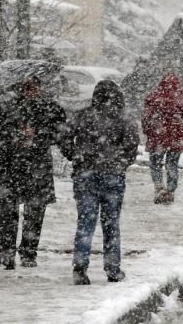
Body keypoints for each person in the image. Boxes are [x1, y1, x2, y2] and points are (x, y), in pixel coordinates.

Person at [0, 75, 73, 270]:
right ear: (19, 88)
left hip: (36, 165)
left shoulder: (50, 109)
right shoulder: (2, 108)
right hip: (11, 165)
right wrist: (13, 139)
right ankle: (7, 253)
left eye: (33, 87)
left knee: (34, 212)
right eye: (26, 87)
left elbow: (60, 135)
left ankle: (27, 252)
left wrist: (38, 138)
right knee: (8, 212)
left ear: (40, 87)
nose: (30, 91)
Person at [69, 80, 139, 285]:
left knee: (85, 222)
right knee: (111, 224)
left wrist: (75, 155)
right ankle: (112, 267)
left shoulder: (82, 115)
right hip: (112, 176)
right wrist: (119, 163)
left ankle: (80, 267)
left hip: (85, 174)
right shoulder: (124, 119)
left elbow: (64, 136)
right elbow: (131, 147)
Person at [141, 72, 183, 204]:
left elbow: (146, 118)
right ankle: (170, 190)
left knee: (155, 164)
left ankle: (159, 186)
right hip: (176, 138)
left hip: (157, 137)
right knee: (172, 164)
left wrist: (149, 132)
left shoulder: (153, 98)